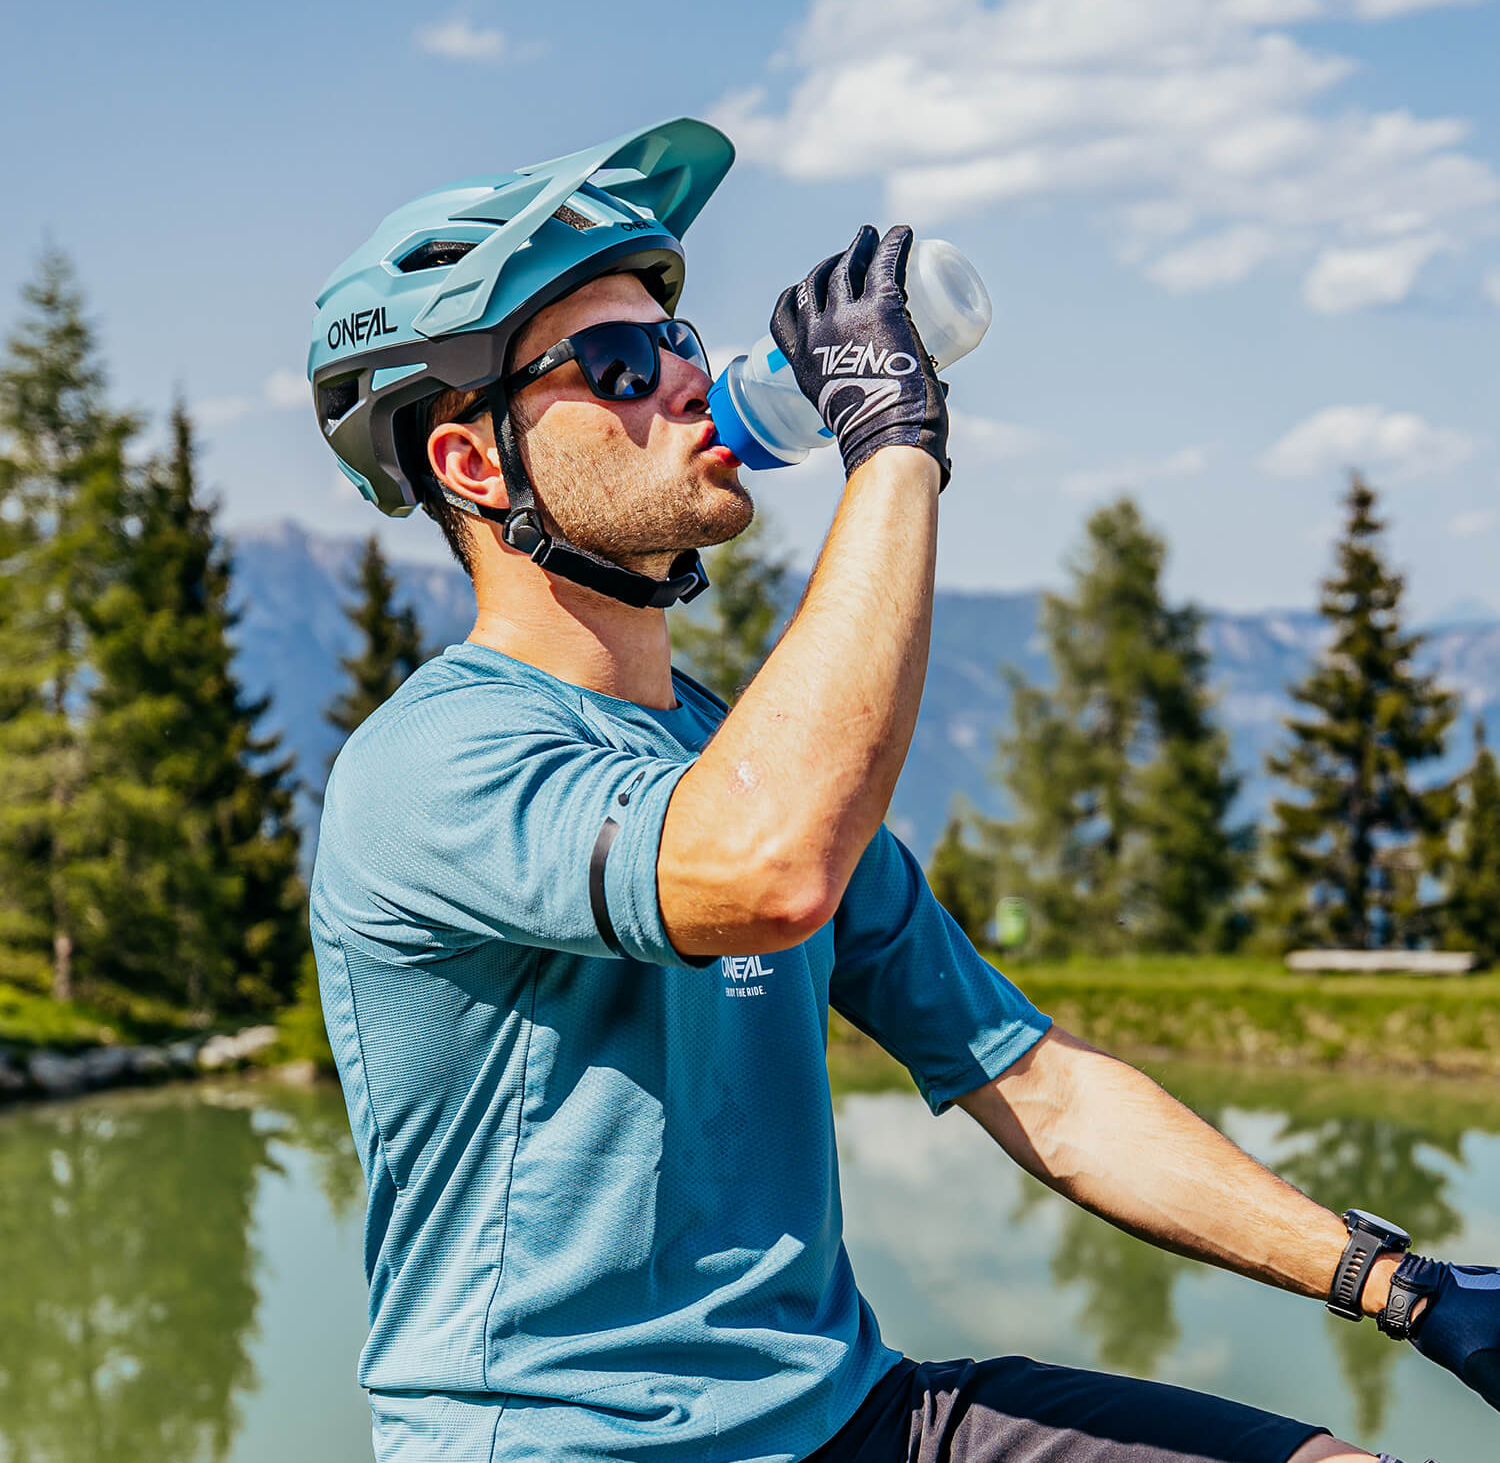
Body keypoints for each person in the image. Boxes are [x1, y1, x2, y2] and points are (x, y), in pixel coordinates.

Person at [306, 118, 1496, 1463]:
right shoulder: (434, 764)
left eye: (683, 342)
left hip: (850, 1413)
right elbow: (762, 871)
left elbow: (1041, 1089)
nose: (687, 383)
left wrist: (1403, 1287)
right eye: (624, 363)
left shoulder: (737, 753)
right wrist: (891, 448)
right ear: (473, 464)